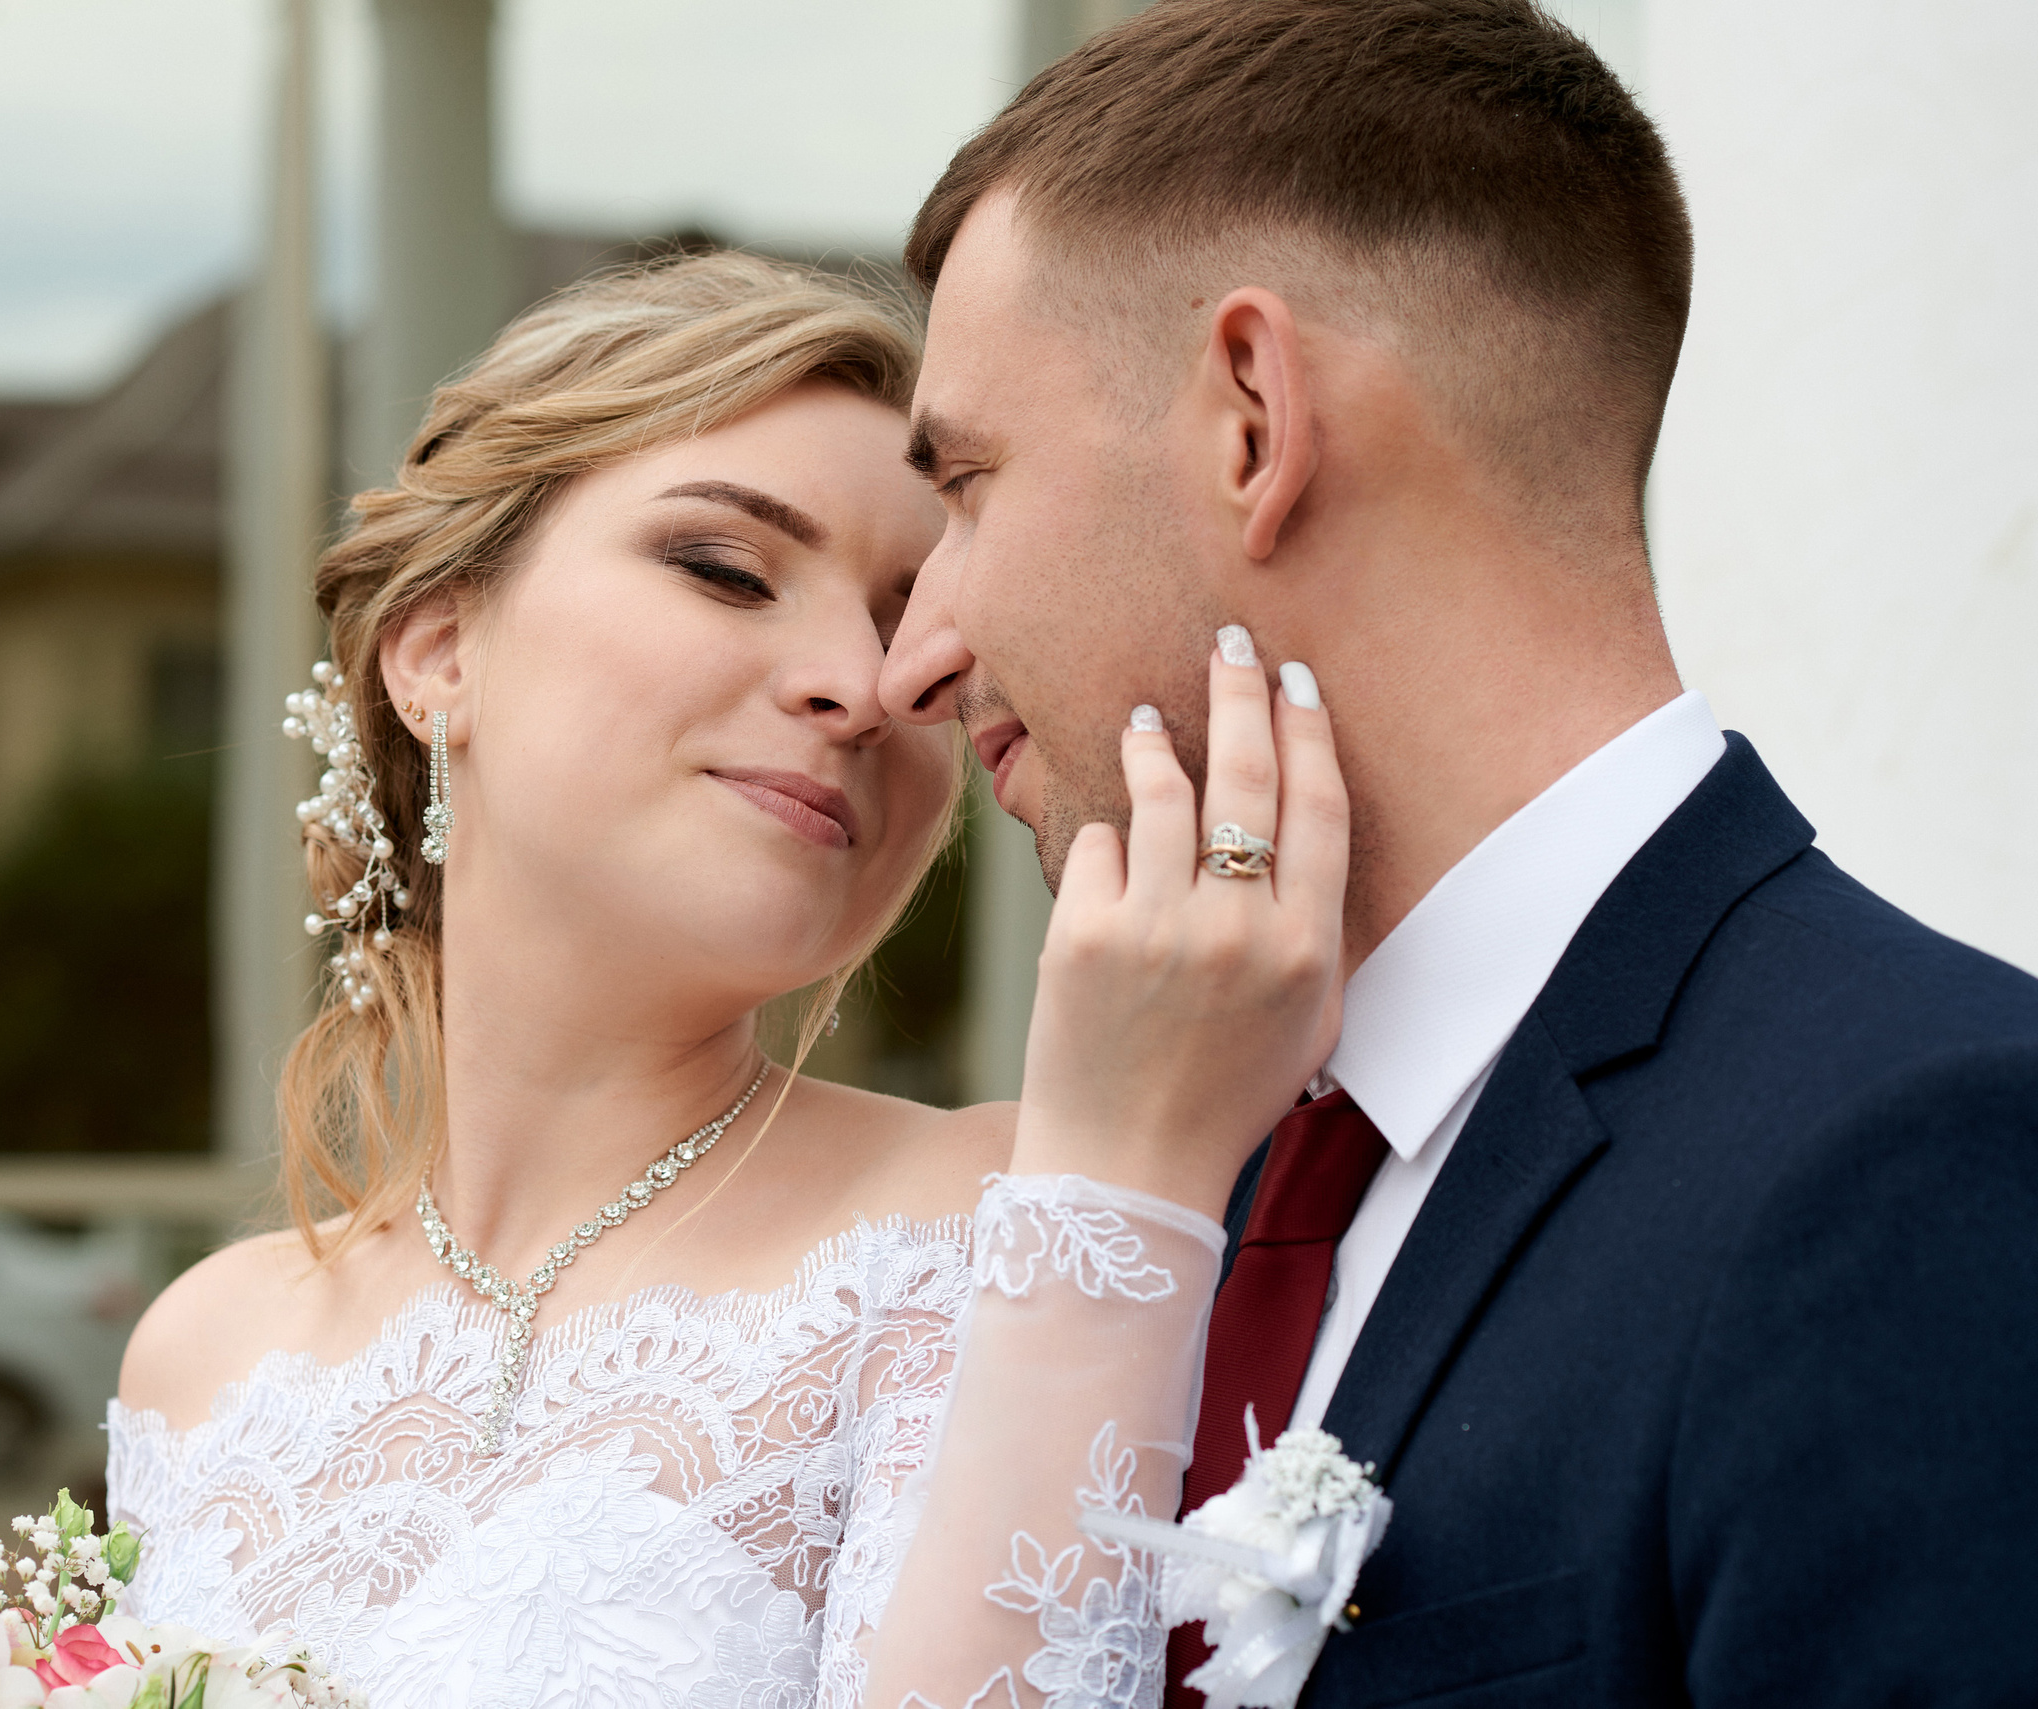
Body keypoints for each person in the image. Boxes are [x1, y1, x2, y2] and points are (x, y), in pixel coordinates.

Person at [880, 1, 2038, 1704]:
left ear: (1253, 421)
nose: (915, 653)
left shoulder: (1921, 1159)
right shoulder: (1175, 1180)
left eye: (967, 483)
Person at [107, 251, 1346, 1706]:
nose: (860, 680)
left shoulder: (998, 1223)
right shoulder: (201, 1357)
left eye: (910, 633)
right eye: (726, 568)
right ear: (438, 647)